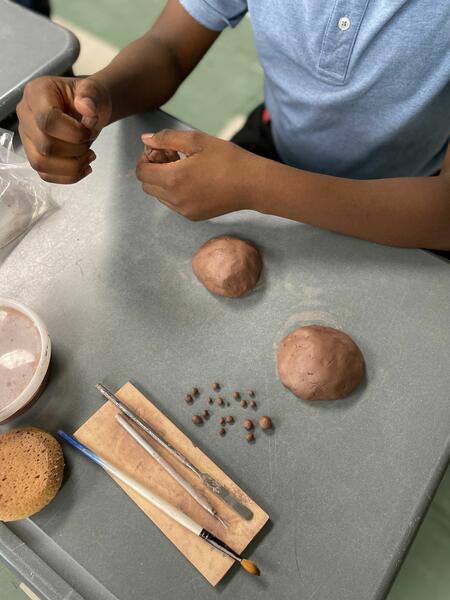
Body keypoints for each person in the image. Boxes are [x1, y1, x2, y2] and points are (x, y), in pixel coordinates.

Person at [16, 0, 450, 249]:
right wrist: (99, 94)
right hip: (272, 144)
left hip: (412, 203)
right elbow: (168, 47)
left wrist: (258, 187)